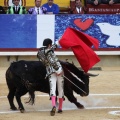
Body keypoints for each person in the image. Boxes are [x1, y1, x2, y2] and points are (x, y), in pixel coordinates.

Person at [37, 38, 64, 116]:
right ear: (49, 45)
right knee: (60, 89)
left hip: (49, 72)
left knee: (52, 89)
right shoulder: (50, 51)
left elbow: (50, 49)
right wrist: (58, 70)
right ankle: (60, 108)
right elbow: (52, 61)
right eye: (51, 44)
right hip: (58, 71)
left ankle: (54, 106)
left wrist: (57, 43)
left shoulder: (40, 52)